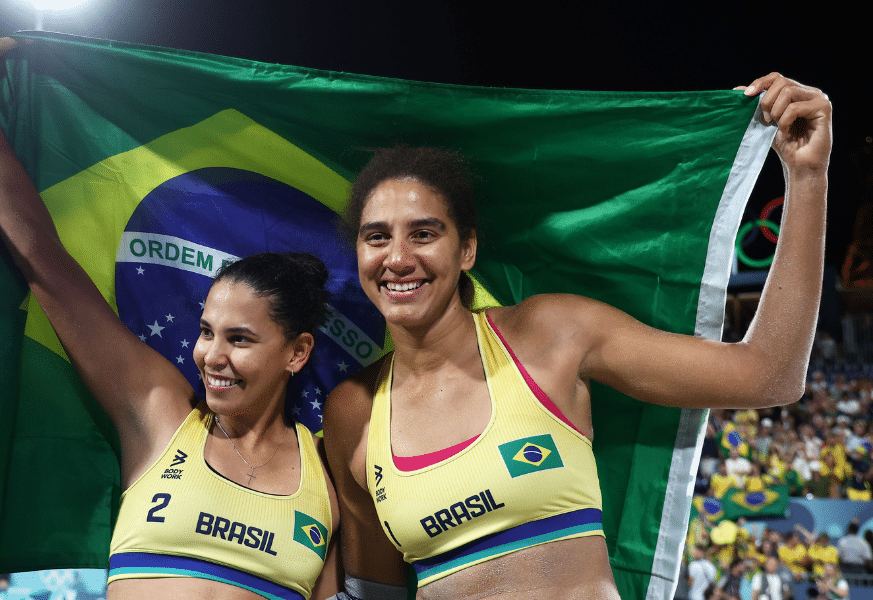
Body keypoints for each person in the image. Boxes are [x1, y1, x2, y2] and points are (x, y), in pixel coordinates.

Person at [325, 68, 832, 598]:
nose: (399, 258)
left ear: (467, 249)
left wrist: (807, 176)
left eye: (424, 233)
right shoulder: (354, 411)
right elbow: (375, 592)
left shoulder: (550, 334)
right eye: (376, 237)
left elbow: (770, 375)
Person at [0, 8, 339, 600]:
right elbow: (41, 257)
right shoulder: (159, 415)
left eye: (241, 338)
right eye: (207, 331)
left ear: (298, 351)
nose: (211, 355)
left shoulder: (330, 477)